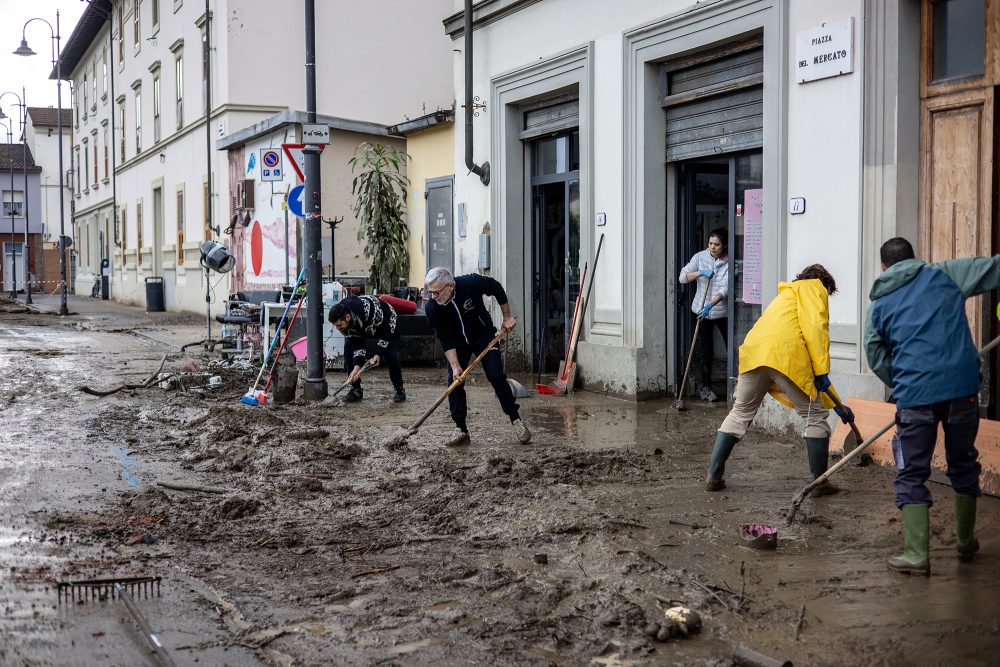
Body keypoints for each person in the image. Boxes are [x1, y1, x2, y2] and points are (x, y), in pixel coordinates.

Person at [865, 237, 1000, 576]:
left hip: (916, 395)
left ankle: (915, 555)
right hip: (962, 391)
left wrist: (901, 381)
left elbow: (874, 353)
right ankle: (965, 543)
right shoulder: (945, 274)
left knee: (912, 470)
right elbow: (995, 268)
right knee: (963, 463)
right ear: (915, 258)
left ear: (884, 267)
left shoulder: (880, 302)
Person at [705, 264, 854, 493]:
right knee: (813, 415)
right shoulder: (814, 288)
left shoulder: (786, 296)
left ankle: (713, 477)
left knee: (740, 412)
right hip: (784, 354)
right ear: (824, 284)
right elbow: (815, 330)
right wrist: (823, 370)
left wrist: (837, 404)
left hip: (754, 353)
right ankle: (819, 483)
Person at [423, 267, 530, 446]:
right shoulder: (432, 308)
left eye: (436, 292)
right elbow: (444, 337)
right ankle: (461, 429)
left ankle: (516, 419)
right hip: (458, 345)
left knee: (496, 376)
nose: (433, 296)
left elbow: (496, 288)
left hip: (484, 337)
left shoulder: (471, 283)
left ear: (450, 286)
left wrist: (507, 317)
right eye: (430, 292)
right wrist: (456, 366)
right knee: (454, 382)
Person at [678, 228, 730, 401]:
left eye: (716, 244)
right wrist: (700, 272)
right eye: (710, 243)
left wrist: (711, 304)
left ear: (724, 246)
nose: (712, 247)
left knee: (733, 349)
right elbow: (682, 277)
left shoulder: (728, 262)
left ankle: (737, 386)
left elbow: (724, 289)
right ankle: (705, 388)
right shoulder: (700, 257)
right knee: (706, 351)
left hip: (721, 312)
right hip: (701, 311)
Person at [328, 295, 405, 403]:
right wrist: (356, 368)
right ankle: (356, 389)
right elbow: (358, 344)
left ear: (348, 317)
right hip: (364, 326)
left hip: (386, 321)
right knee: (348, 349)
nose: (338, 328)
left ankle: (399, 388)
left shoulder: (368, 310)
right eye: (335, 326)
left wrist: (378, 353)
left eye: (339, 325)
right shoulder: (342, 323)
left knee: (390, 355)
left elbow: (386, 332)